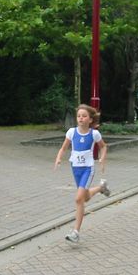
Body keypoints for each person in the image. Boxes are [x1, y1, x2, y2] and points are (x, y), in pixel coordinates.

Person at [54, 104, 110, 243]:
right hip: (75, 168)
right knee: (84, 197)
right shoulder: (72, 132)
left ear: (90, 119)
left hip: (88, 168)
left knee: (79, 199)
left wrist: (102, 159)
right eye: (79, 116)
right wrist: (59, 158)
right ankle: (101, 188)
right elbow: (64, 147)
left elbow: (103, 146)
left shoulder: (94, 134)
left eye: (84, 116)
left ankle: (75, 232)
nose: (81, 118)